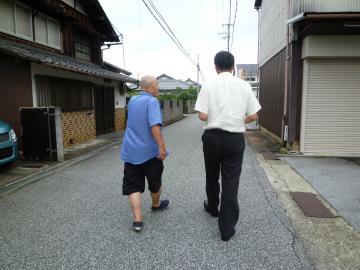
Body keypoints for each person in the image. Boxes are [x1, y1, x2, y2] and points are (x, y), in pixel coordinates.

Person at [195, 51, 261, 241]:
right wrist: (239, 119)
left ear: (215, 67)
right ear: (233, 67)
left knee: (212, 174)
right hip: (235, 138)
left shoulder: (208, 85)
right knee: (231, 181)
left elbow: (202, 115)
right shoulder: (244, 86)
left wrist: (216, 115)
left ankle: (213, 207)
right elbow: (254, 115)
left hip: (212, 137)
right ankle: (227, 228)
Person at [120, 75, 169, 232]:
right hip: (149, 152)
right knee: (155, 181)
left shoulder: (132, 100)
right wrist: (161, 146)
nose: (158, 89)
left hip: (130, 150)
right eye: (157, 86)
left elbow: (129, 123)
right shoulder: (151, 101)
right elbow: (154, 125)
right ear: (149, 87)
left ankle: (138, 219)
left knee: (133, 185)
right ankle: (155, 205)